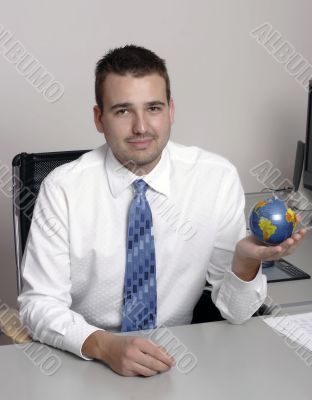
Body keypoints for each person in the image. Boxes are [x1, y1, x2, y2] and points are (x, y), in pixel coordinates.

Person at [18, 45, 306, 377]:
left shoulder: (215, 178)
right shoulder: (63, 189)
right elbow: (36, 305)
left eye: (153, 107)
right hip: (86, 358)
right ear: (99, 118)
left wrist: (244, 262)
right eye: (123, 111)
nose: (141, 127)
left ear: (170, 110)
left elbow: (236, 313)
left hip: (178, 360)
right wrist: (103, 345)